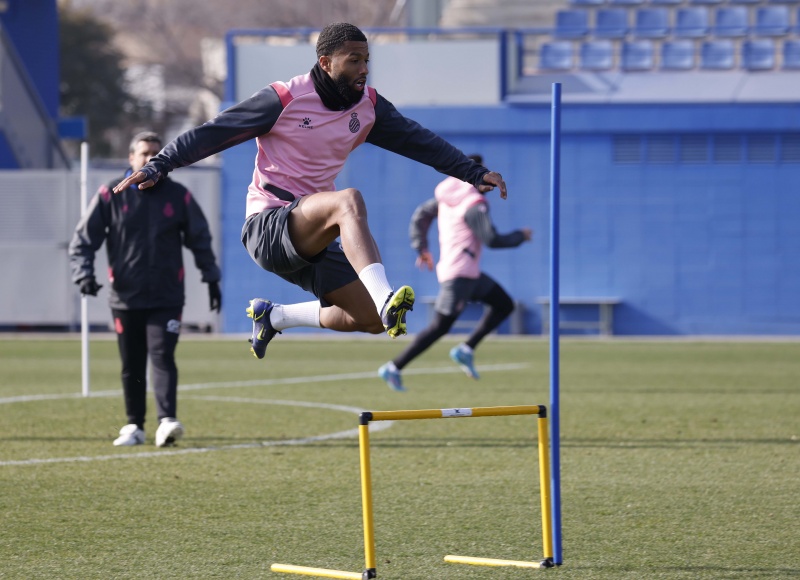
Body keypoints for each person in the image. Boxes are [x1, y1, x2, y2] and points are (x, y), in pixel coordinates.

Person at [113, 23, 507, 362]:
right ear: (325, 62)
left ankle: (276, 317)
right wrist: (159, 163)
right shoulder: (284, 98)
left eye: (366, 59)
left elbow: (419, 142)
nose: (363, 69)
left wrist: (472, 173)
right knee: (348, 201)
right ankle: (387, 296)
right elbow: (213, 132)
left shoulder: (368, 107)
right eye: (353, 59)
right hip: (268, 225)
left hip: (312, 236)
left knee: (368, 319)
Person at [69, 131, 222, 447]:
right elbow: (84, 240)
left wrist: (211, 277)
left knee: (163, 355)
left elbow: (200, 239)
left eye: (156, 154)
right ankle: (134, 426)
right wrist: (83, 273)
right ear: (131, 158)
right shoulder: (110, 195)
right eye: (144, 154)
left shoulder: (179, 196)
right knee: (132, 362)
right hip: (125, 296)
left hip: (167, 296)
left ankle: (167, 421)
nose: (149, 159)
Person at [378, 154, 532, 392]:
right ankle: (394, 367)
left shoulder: (446, 197)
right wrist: (521, 235)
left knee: (504, 304)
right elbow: (491, 239)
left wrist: (421, 247)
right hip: (460, 275)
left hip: (467, 272)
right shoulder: (473, 203)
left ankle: (466, 349)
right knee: (439, 327)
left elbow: (421, 214)